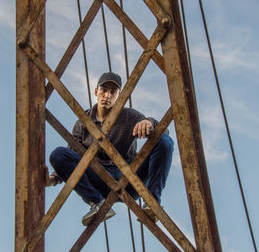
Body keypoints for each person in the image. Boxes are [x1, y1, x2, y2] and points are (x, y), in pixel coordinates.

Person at [48, 72, 174, 226]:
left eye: (113, 92)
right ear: (96, 91)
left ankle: (152, 203)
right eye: (104, 90)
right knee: (58, 154)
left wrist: (149, 122)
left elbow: (162, 134)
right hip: (99, 178)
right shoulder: (83, 121)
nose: (107, 95)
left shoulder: (129, 115)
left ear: (119, 95)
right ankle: (97, 204)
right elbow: (70, 155)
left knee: (164, 140)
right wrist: (52, 180)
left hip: (130, 179)